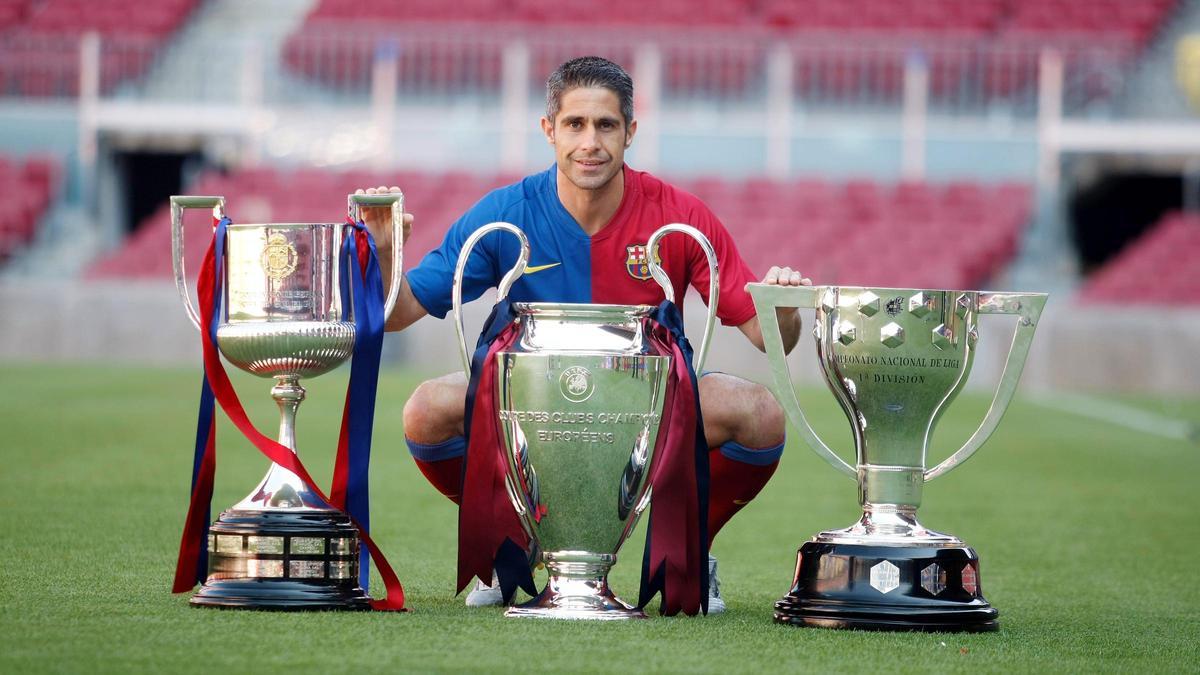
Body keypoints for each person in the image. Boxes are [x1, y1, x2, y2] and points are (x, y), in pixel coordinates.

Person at [360, 56, 808, 614]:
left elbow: (771, 339)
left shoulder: (681, 216)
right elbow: (399, 311)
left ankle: (691, 553)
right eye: (574, 124)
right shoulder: (506, 212)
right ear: (549, 130)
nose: (590, 142)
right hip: (534, 409)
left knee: (759, 414)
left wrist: (784, 307)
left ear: (630, 132)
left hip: (650, 407)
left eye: (606, 125)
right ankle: (513, 540)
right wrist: (381, 250)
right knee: (426, 408)